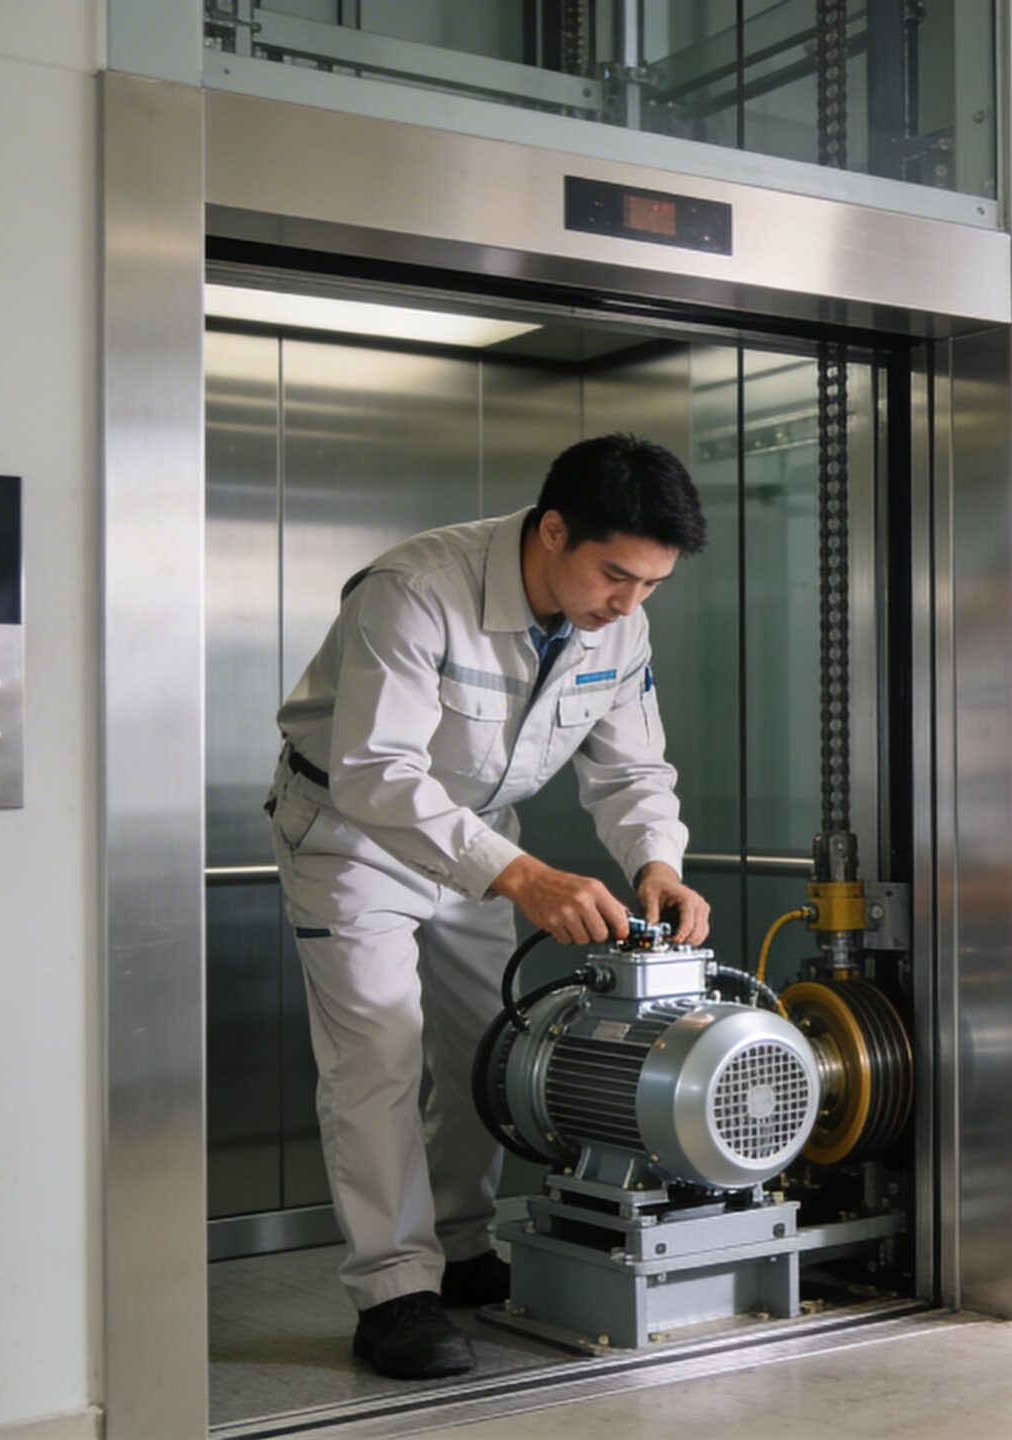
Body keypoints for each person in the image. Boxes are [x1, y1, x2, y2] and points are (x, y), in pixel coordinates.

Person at [265, 432, 713, 1378]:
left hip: (477, 835)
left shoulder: (619, 626)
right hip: (350, 836)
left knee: (486, 1048)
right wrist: (520, 875)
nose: (628, 605)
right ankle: (394, 1292)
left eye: (651, 587)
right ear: (553, 531)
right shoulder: (417, 588)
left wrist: (658, 862)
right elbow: (376, 772)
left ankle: (461, 1250)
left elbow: (631, 768)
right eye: (615, 576)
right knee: (377, 1053)